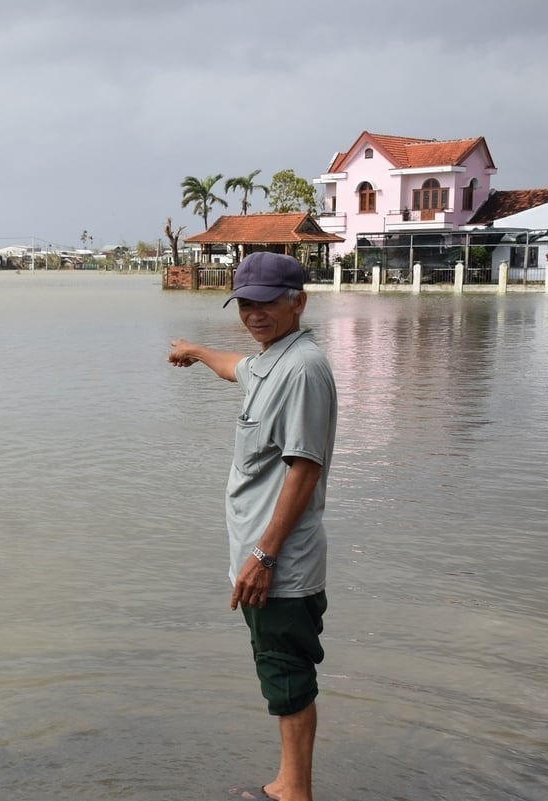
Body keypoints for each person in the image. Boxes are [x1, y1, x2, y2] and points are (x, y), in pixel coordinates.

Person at [167, 252, 337, 801]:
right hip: (262, 559)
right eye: (245, 303)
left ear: (298, 302)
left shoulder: (303, 369)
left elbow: (304, 467)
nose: (255, 313)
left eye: (267, 302)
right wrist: (195, 352)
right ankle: (288, 784)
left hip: (278, 564)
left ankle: (294, 793)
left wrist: (263, 556)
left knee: (286, 674)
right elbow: (235, 366)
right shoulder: (271, 361)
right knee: (278, 669)